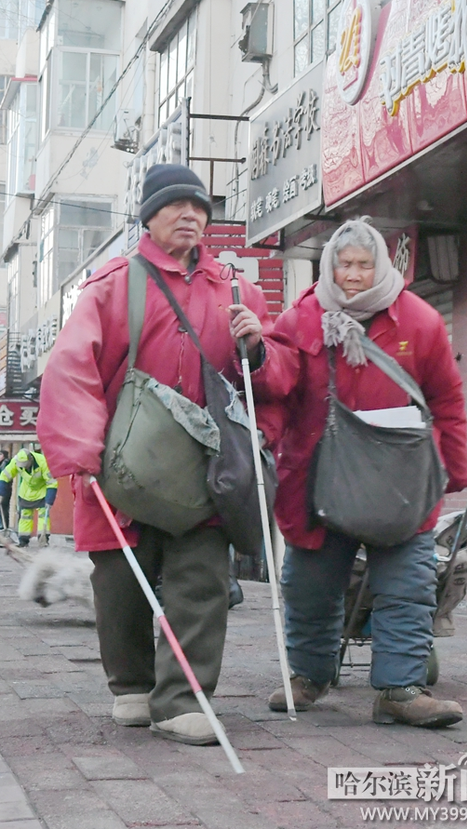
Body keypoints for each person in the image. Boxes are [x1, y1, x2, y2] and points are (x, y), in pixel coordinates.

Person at [36, 163, 295, 746]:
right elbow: (71, 369)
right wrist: (81, 451)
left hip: (204, 467)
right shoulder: (111, 284)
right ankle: (131, 686)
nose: (190, 216)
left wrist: (258, 350)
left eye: (199, 208)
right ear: (148, 217)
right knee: (121, 581)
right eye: (176, 206)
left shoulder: (237, 288)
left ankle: (182, 699)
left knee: (200, 579)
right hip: (121, 463)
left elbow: (274, 378)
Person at [258, 217, 467, 728]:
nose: (353, 275)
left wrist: (453, 470)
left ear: (382, 266)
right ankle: (308, 676)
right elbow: (276, 387)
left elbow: (447, 400)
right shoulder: (301, 317)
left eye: (363, 264)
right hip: (317, 480)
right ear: (330, 265)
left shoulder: (419, 320)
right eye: (344, 264)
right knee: (310, 586)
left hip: (400, 480)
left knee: (408, 587)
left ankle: (400, 689)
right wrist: (261, 431)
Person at [0, 448, 58, 547]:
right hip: (26, 492)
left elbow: (52, 482)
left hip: (41, 491)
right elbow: (4, 476)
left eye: (25, 466)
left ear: (30, 460)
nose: (24, 468)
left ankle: (43, 538)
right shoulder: (16, 461)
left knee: (43, 515)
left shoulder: (43, 462)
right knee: (25, 516)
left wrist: (49, 500)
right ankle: (23, 540)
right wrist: (2, 493)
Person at [0, 449, 12, 530]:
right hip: (4, 489)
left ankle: (3, 526)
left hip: (4, 490)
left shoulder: (5, 463)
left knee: (3, 508)